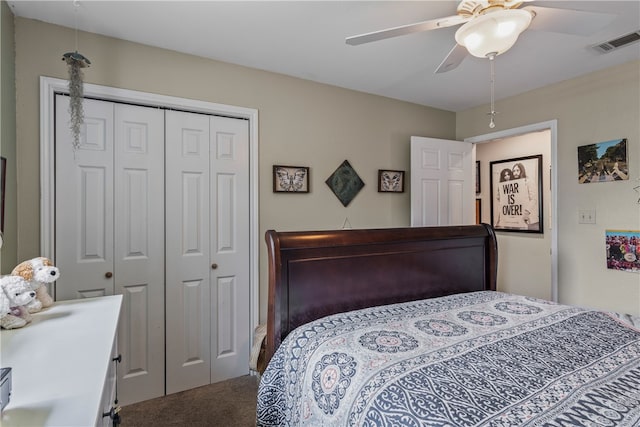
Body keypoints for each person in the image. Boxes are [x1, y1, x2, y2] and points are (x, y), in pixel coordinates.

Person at [512, 162, 539, 231]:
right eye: (514, 171)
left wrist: (526, 212)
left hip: (528, 216)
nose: (515, 173)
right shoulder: (513, 184)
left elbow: (534, 199)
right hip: (517, 217)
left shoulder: (529, 181)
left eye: (517, 170)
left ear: (522, 171)